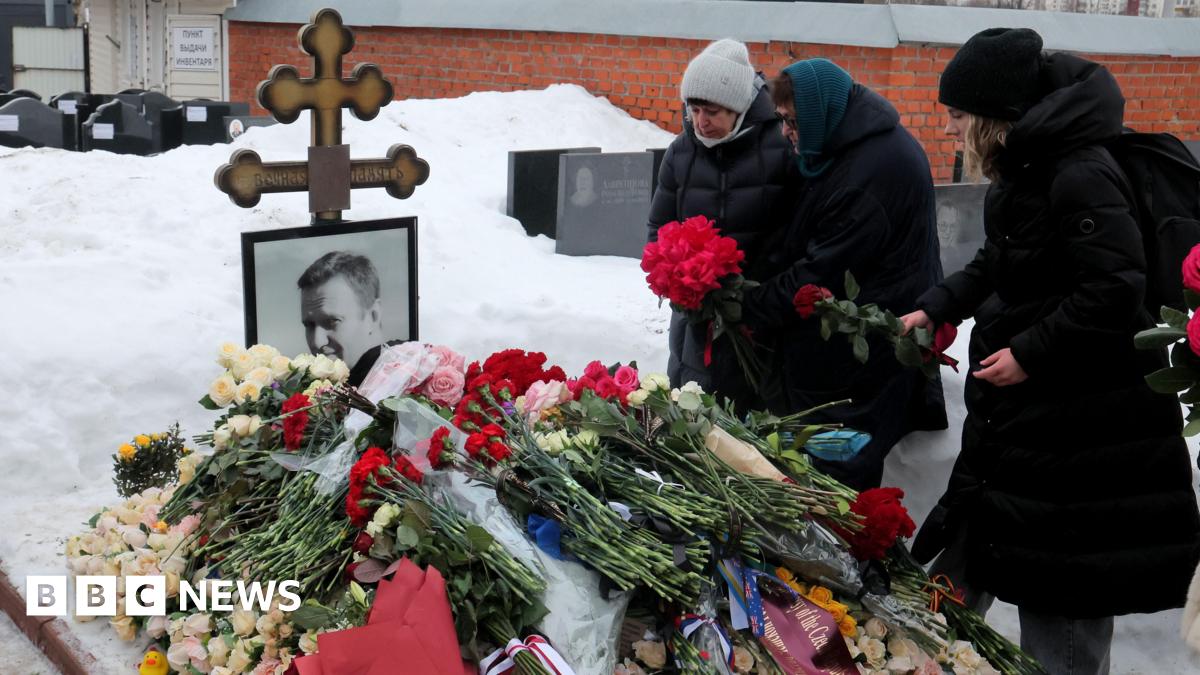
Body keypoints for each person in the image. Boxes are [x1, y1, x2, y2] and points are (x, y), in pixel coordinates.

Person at [900, 28, 1200, 674]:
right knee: (972, 554)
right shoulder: (1028, 168)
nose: (948, 128)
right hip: (1030, 424)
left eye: (955, 116)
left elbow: (1117, 288)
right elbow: (1001, 259)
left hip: (1084, 434)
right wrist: (941, 302)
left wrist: (1031, 351)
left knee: (1063, 598)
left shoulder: (1079, 171)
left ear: (991, 116)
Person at [737, 57, 947, 490]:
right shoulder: (851, 144)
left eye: (793, 122)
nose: (787, 134)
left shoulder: (867, 175)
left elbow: (819, 279)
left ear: (819, 114)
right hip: (848, 351)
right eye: (781, 120)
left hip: (857, 361)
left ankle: (840, 553)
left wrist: (747, 305)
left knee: (833, 476)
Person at [646, 38, 796, 410]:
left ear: (739, 107)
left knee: (754, 420)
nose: (701, 121)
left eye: (712, 111)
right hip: (696, 322)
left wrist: (753, 291)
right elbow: (658, 231)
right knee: (694, 413)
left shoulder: (781, 147)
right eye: (694, 109)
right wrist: (679, 281)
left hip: (762, 317)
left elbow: (797, 232)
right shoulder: (681, 152)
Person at [298, 251, 385, 381]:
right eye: (309, 325)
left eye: (333, 321)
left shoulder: (407, 388)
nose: (317, 342)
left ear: (373, 317)